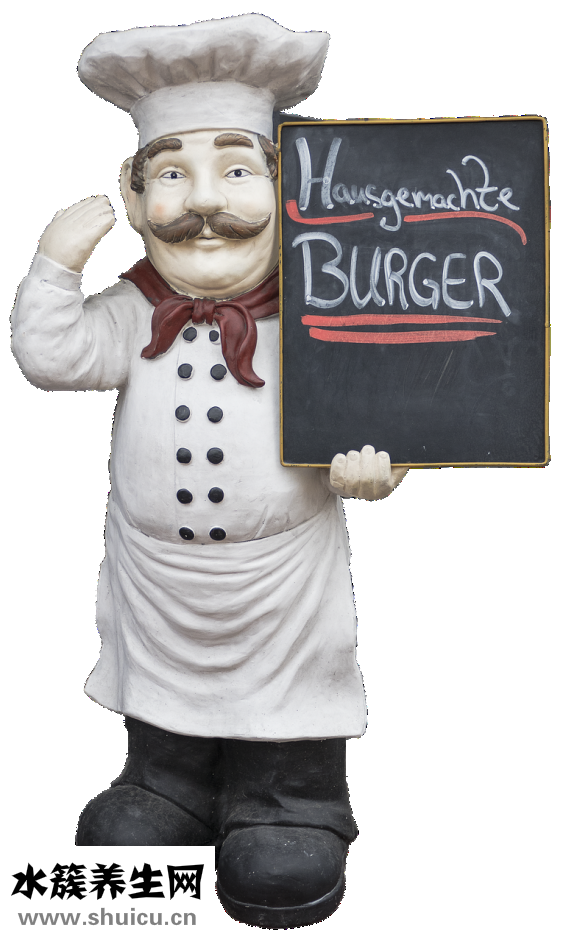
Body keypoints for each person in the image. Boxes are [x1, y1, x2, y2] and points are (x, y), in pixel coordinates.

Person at [11, 14, 406, 929]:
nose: (202, 203)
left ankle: (291, 803)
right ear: (134, 190)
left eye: (235, 171)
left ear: (286, 185)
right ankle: (167, 785)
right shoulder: (132, 310)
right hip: (156, 575)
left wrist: (376, 467)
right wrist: (55, 266)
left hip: (281, 580)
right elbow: (53, 357)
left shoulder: (325, 308)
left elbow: (389, 398)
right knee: (161, 698)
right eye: (170, 175)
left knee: (291, 691)